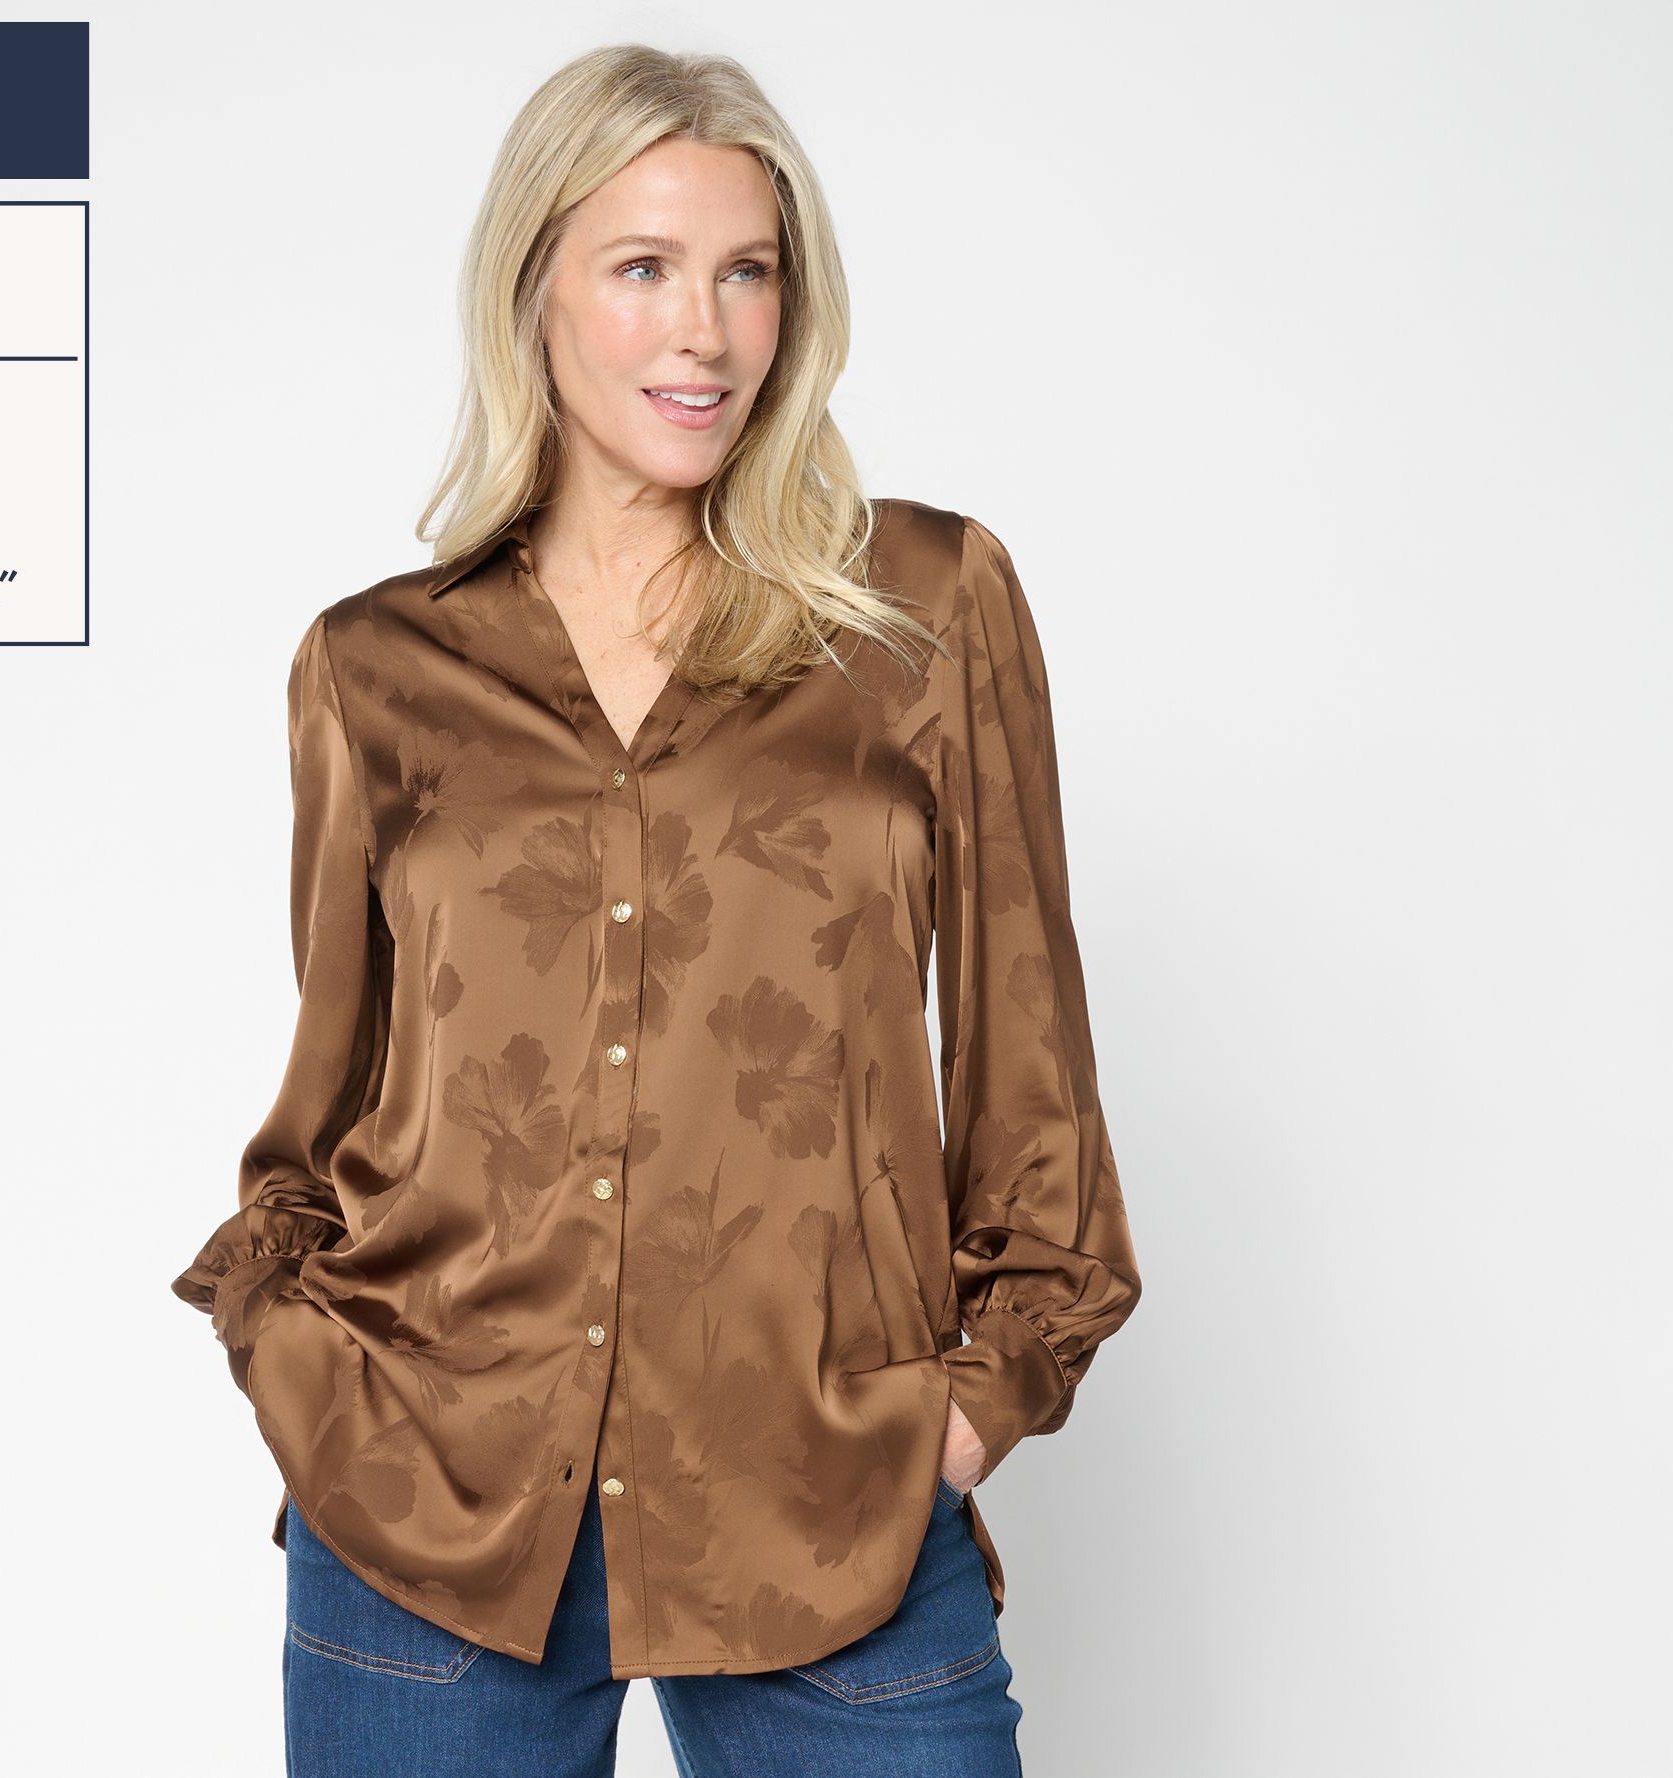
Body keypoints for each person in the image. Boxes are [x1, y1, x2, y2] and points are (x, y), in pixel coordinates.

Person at [171, 42, 1143, 1777]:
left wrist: (976, 1402)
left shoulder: (924, 612)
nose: (704, 332)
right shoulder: (376, 668)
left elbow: (1030, 1071)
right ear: (532, 289)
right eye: (643, 268)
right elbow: (326, 1102)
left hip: (827, 1506)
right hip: (426, 1515)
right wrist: (297, 1360)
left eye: (746, 273)